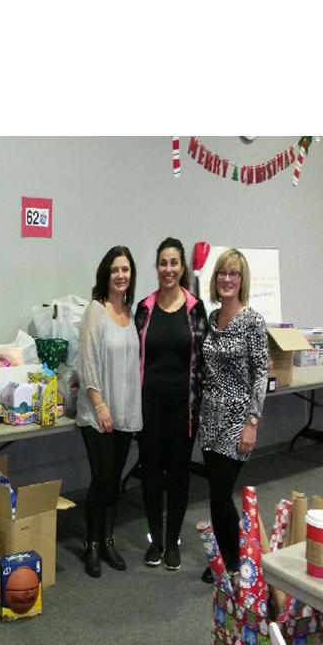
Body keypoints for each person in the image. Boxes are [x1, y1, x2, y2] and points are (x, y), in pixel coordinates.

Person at [133, 237, 209, 570]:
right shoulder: (145, 308)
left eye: (174, 262)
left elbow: (205, 358)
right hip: (148, 405)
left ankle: (173, 541)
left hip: (184, 407)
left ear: (182, 267)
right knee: (151, 473)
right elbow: (132, 356)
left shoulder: (194, 308)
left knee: (178, 474)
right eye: (163, 263)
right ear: (157, 267)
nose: (168, 269)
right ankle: (156, 540)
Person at [197, 248, 269, 585]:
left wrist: (252, 422)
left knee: (221, 492)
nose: (227, 279)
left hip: (237, 419)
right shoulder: (213, 319)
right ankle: (225, 557)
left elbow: (260, 373)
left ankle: (239, 559)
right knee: (216, 492)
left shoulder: (252, 320)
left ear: (242, 280)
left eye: (234, 274)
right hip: (209, 419)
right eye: (222, 273)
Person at [75, 246, 143, 577]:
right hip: (97, 412)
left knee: (115, 480)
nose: (120, 275)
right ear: (106, 273)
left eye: (125, 269)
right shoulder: (96, 310)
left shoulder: (129, 313)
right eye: (115, 269)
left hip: (124, 412)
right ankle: (91, 543)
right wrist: (100, 406)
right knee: (101, 478)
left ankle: (107, 541)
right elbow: (87, 363)